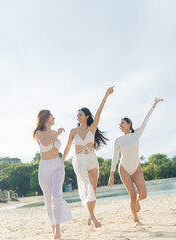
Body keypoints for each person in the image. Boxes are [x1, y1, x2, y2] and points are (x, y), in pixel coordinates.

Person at [62, 86, 114, 228]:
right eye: (77, 115)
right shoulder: (73, 131)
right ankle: (94, 218)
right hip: (79, 161)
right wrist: (62, 161)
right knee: (87, 187)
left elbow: (99, 112)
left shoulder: (92, 128)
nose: (78, 117)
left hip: (91, 159)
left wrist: (106, 94)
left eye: (80, 115)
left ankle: (90, 216)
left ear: (86, 117)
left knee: (94, 190)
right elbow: (67, 147)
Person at [108, 98, 164, 225]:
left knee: (143, 195)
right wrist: (111, 175)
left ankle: (137, 202)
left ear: (129, 124)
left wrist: (154, 105)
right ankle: (135, 219)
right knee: (132, 195)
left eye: (122, 123)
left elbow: (146, 119)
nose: (120, 125)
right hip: (124, 169)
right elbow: (114, 157)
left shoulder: (136, 134)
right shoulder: (118, 140)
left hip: (136, 168)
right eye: (119, 124)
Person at [33, 110, 72, 239]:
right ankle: (52, 228)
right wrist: (58, 133)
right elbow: (45, 143)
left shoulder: (55, 133)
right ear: (45, 118)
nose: (54, 118)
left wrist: (57, 134)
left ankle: (58, 228)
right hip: (44, 167)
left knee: (56, 196)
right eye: (51, 116)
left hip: (57, 165)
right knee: (48, 199)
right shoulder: (39, 133)